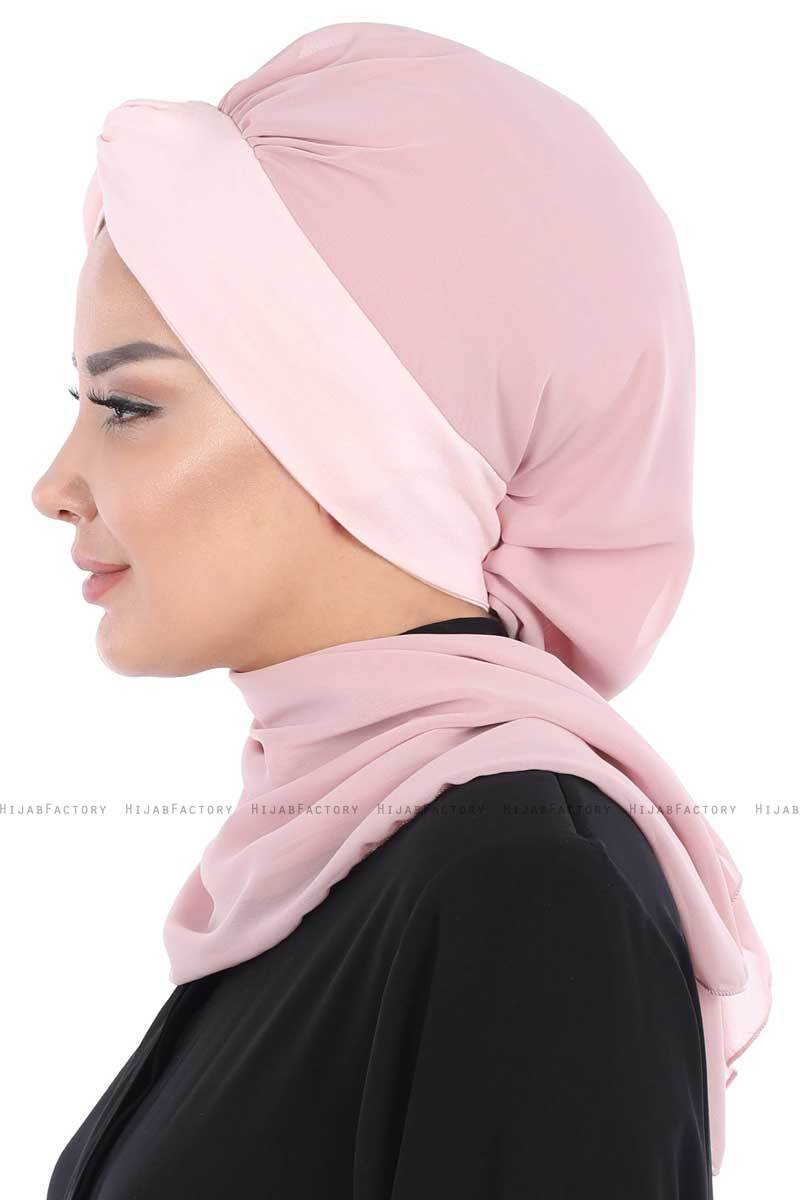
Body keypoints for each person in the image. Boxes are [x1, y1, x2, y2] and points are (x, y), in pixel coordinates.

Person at [32, 21, 770, 1199]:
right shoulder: (335, 857)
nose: (53, 486)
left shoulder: (523, 889)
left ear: (363, 440)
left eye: (126, 408)